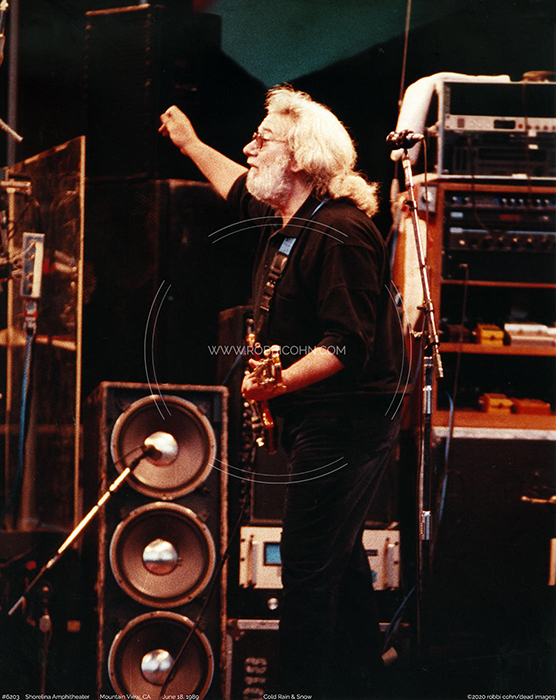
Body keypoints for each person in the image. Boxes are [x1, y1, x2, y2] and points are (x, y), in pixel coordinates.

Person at [160, 86, 404, 699]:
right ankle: (369, 687)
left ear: (297, 155)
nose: (250, 147)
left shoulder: (341, 232)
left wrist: (274, 381)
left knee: (305, 566)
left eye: (261, 138)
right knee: (339, 569)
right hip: (319, 421)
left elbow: (346, 344)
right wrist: (190, 144)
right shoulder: (293, 221)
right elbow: (237, 186)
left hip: (346, 424)